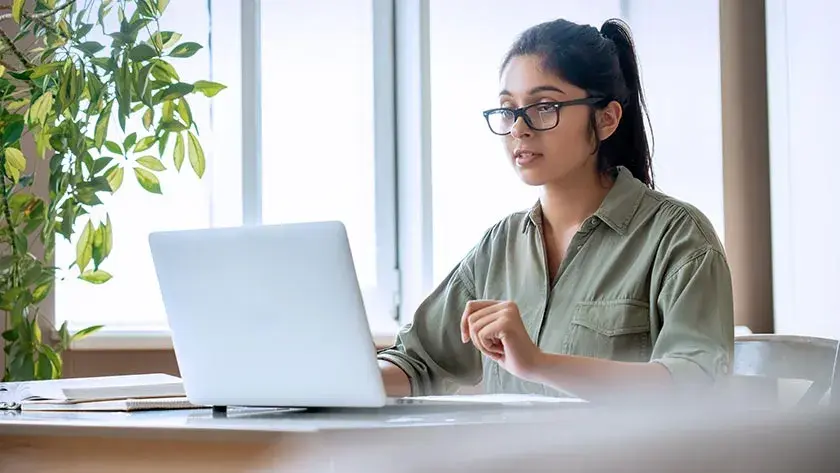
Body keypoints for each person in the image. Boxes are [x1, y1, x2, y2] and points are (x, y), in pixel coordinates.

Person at [377, 18, 734, 401]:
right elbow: (417, 361)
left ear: (606, 118)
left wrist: (539, 363)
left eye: (544, 107)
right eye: (508, 109)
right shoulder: (500, 246)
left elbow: (695, 385)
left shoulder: (680, 237)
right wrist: (327, 382)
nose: (519, 128)